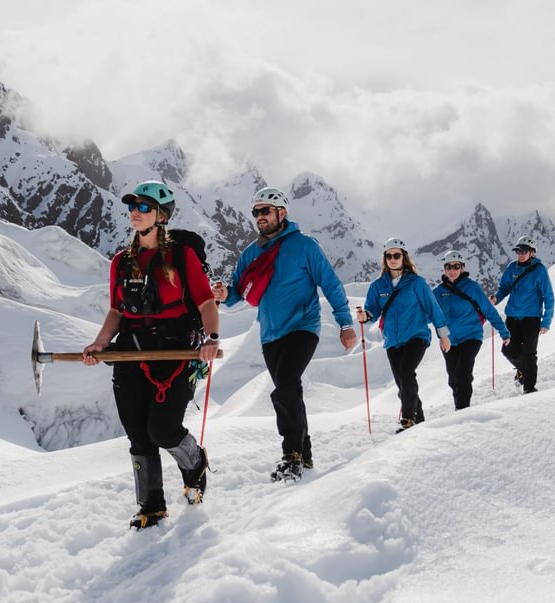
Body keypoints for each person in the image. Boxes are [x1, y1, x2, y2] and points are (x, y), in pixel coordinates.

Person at [82, 180, 221, 529]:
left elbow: (205, 302)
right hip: (132, 351)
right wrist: (100, 342)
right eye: (132, 206)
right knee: (138, 434)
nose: (134, 212)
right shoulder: (120, 261)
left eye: (143, 207)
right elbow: (116, 311)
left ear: (161, 215)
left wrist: (213, 338)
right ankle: (151, 506)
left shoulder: (181, 256)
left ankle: (194, 463)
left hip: (177, 351)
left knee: (163, 428)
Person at [211, 186, 357, 480]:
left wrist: (346, 323)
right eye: (256, 212)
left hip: (303, 328)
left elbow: (330, 284)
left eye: (265, 211)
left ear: (282, 213)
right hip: (270, 336)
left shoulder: (305, 246)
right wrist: (223, 293)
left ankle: (291, 454)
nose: (259, 217)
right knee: (290, 392)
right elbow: (238, 292)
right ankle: (306, 456)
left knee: (287, 385)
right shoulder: (251, 253)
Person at [356, 238, 450, 432]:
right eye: (388, 255)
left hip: (416, 336)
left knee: (407, 374)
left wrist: (443, 335)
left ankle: (408, 420)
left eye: (396, 255)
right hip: (392, 340)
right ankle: (420, 420)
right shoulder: (378, 286)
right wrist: (365, 316)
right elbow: (372, 311)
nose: (392, 259)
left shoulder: (416, 283)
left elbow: (433, 308)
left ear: (404, 257)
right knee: (402, 383)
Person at [432, 250, 511, 410]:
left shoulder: (472, 287)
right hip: (449, 340)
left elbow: (489, 311)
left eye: (456, 266)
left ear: (462, 268)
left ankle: (463, 410)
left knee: (462, 373)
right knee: (453, 377)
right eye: (448, 266)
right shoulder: (438, 292)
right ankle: (459, 407)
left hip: (471, 336)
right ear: (444, 269)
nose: (452, 270)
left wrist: (503, 331)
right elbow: (426, 312)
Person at [490, 235, 555, 394]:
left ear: (532, 252)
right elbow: (504, 287)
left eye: (524, 251)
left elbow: (549, 297)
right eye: (518, 250)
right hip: (512, 317)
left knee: (529, 354)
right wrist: (496, 298)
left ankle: (529, 389)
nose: (520, 253)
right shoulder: (512, 268)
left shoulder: (539, 270)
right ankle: (522, 370)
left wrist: (546, 321)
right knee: (507, 350)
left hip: (531, 319)